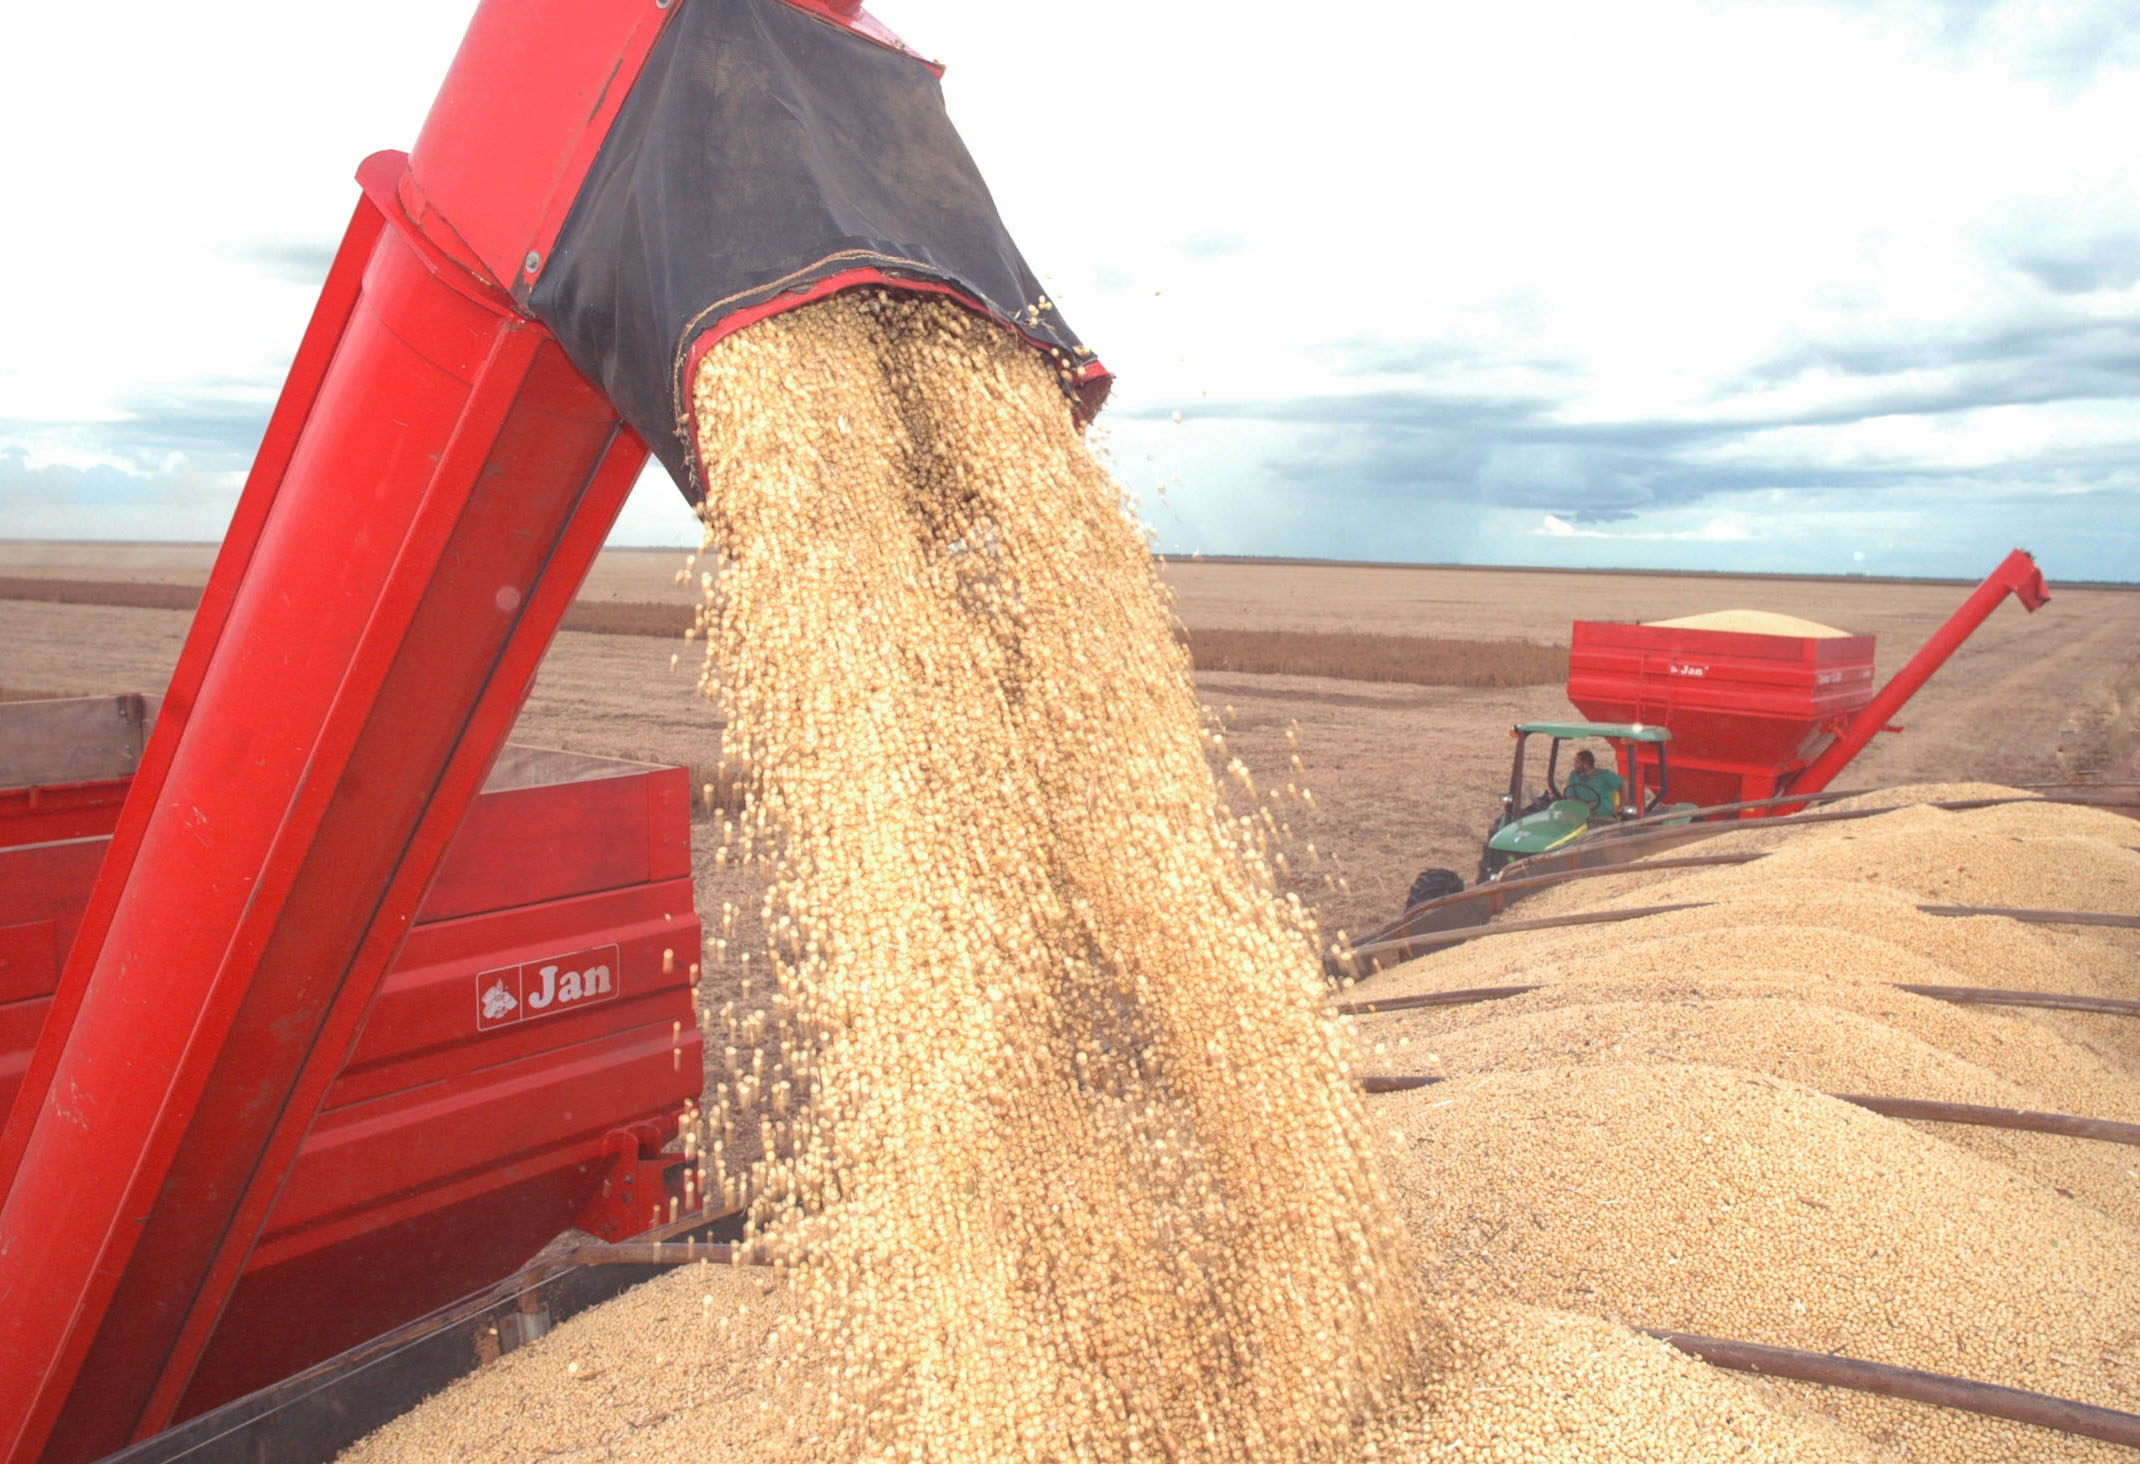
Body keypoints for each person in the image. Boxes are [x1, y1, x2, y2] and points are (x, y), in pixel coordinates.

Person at [1565, 748, 1623, 817]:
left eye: (1577, 762)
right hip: (1581, 816)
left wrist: (1622, 806)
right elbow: (1570, 796)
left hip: (1604, 816)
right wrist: (1583, 806)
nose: (1574, 765)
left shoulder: (1605, 775)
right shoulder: (1574, 776)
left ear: (1586, 764)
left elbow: (1624, 784)